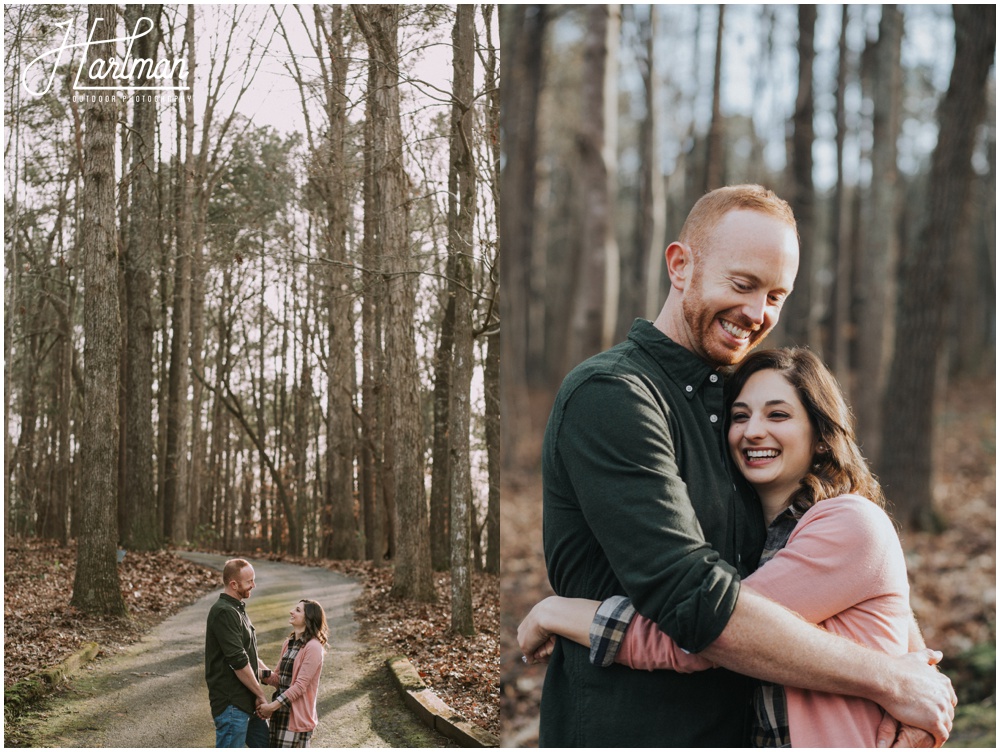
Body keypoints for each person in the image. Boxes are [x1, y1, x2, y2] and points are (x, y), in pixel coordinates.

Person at [532, 184, 955, 747]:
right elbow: (694, 602)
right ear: (680, 266)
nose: (758, 313)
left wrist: (915, 675)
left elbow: (847, 562)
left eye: (777, 295)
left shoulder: (738, 407)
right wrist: (887, 679)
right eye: (742, 284)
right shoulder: (614, 396)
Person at [521, 347, 928, 747]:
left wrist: (558, 611)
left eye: (778, 414)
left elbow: (705, 637)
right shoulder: (758, 539)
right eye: (739, 416)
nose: (753, 431)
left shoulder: (849, 524)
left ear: (822, 438)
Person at [206, 558, 271, 747]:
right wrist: (261, 695)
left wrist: (269, 676)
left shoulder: (237, 609)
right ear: (234, 584)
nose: (254, 585)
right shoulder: (224, 612)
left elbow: (248, 652)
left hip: (248, 701)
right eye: (249, 581)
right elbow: (238, 661)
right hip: (232, 704)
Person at [256, 600, 328, 748]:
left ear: (308, 618)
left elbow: (300, 686)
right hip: (280, 713)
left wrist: (271, 707)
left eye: (297, 610)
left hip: (296, 717)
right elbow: (278, 680)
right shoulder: (289, 643)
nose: (291, 611)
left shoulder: (313, 647)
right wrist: (254, 667)